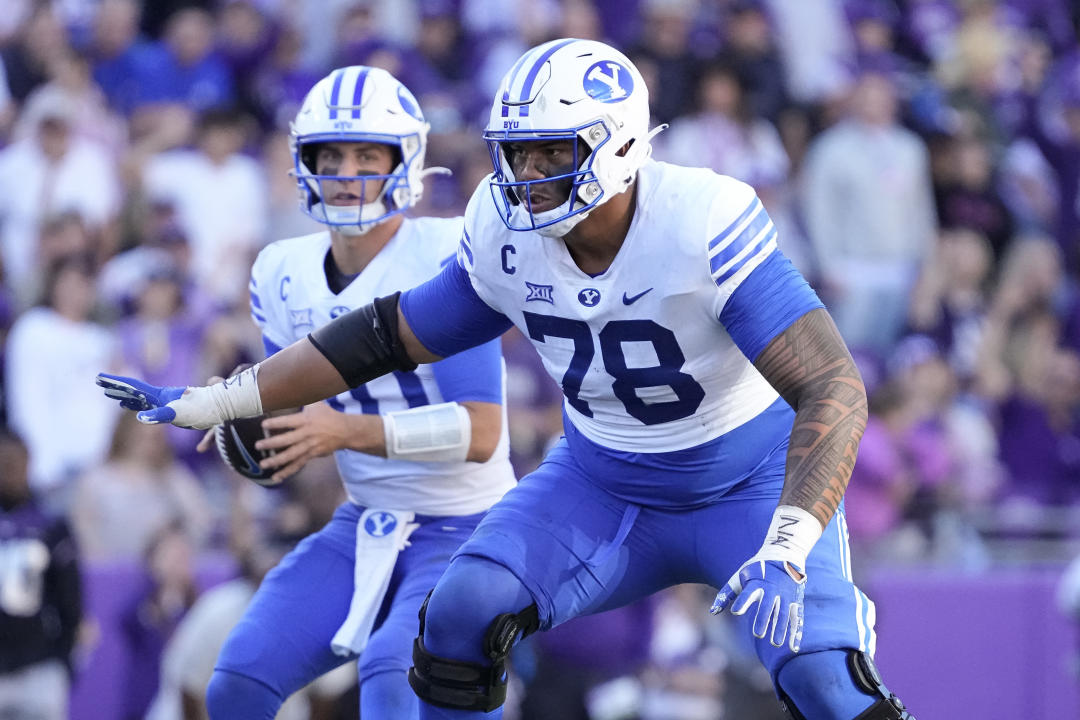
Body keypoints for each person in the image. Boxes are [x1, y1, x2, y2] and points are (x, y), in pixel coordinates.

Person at [98, 39, 916, 720]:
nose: (528, 170)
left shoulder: (702, 218)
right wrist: (232, 394)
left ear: (620, 144)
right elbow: (387, 335)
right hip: (601, 481)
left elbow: (835, 388)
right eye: (519, 150)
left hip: (746, 484)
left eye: (554, 150)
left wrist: (789, 538)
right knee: (461, 609)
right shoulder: (500, 228)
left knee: (824, 683)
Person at [154, 65, 515, 720]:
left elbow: (482, 433)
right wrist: (239, 410)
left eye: (366, 154)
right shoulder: (281, 271)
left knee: (393, 678)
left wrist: (347, 433)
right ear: (304, 162)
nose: (347, 171)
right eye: (332, 154)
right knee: (237, 679)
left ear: (404, 161)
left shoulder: (445, 253)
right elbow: (290, 426)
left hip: (470, 526)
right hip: (368, 518)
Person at [0, 429, 83, 720]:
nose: (10, 470)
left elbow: (71, 600)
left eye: (15, 461)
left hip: (40, 664)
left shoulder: (50, 523)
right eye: (4, 462)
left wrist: (62, 662)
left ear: (28, 461)